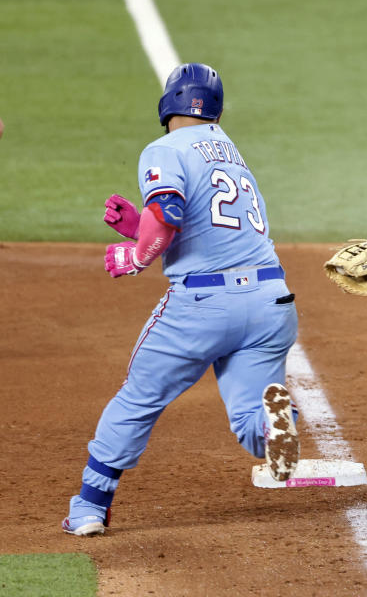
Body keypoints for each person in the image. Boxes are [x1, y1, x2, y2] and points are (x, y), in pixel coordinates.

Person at [62, 63, 301, 536]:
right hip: (271, 300)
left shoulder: (164, 148)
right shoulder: (231, 153)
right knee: (255, 429)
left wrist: (135, 253)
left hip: (204, 307)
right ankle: (280, 423)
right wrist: (139, 228)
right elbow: (204, 226)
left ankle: (90, 507)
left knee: (139, 398)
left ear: (168, 103)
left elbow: (168, 213)